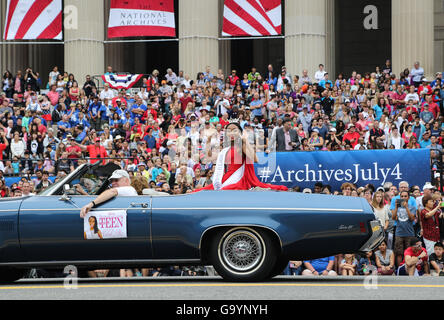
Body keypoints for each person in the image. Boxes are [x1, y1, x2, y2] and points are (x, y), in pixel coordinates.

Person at [195, 122, 287, 191]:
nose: (231, 133)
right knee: (200, 190)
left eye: (234, 130)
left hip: (238, 180)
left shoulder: (241, 145)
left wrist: (245, 140)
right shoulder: (225, 148)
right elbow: (209, 157)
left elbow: (255, 159)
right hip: (226, 179)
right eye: (228, 131)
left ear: (240, 132)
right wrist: (208, 141)